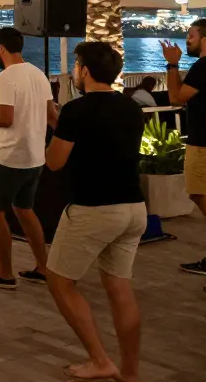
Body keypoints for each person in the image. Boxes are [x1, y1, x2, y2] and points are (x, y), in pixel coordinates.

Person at [44, 41, 146, 382]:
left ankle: (100, 359)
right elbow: (103, 143)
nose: (74, 70)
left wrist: (55, 126)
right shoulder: (130, 108)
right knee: (119, 288)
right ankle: (129, 371)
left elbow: (55, 162)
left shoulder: (76, 111)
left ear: (84, 70)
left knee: (59, 281)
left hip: (94, 209)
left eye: (75, 64)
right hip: (133, 207)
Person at [0, 27, 57, 289]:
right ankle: (44, 267)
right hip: (33, 156)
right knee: (25, 210)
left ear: (1, 48)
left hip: (8, 157)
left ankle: (5, 272)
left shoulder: (4, 79)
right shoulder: (37, 74)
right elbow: (53, 116)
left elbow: (4, 119)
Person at [160, 19, 206, 278]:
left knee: (198, 194)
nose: (187, 40)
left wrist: (173, 64)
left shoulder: (202, 66)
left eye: (191, 35)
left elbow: (175, 98)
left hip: (202, 143)